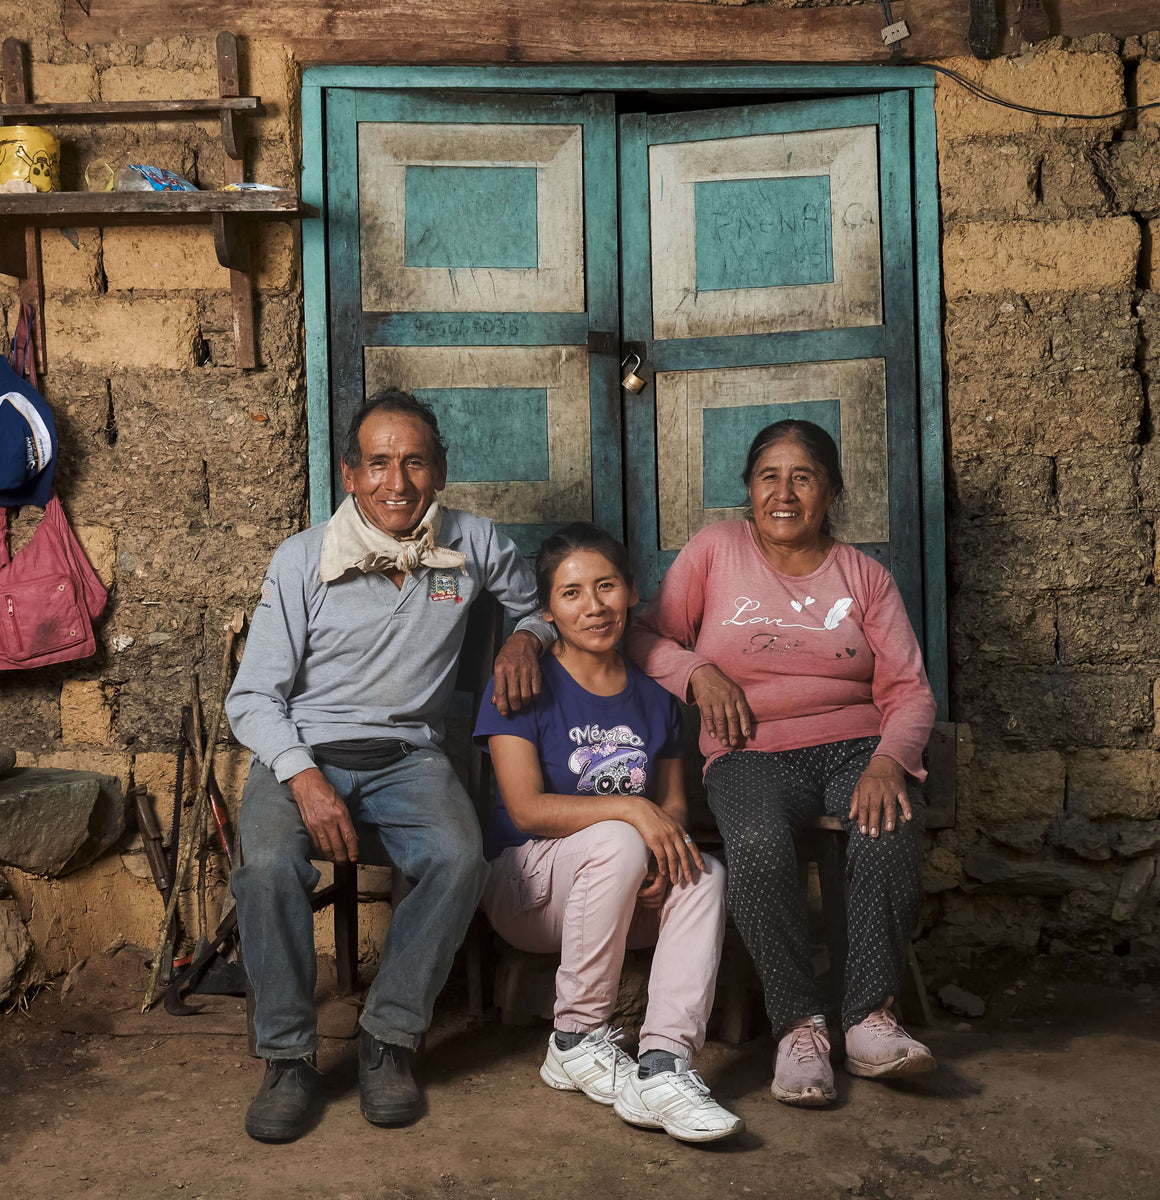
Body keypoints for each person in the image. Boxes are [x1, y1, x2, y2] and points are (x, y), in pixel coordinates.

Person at [225, 389, 554, 1142]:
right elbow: (253, 698)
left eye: (414, 463)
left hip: (409, 752)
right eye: (377, 464)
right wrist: (303, 779)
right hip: (302, 751)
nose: (396, 483)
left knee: (457, 856)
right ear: (350, 473)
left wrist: (524, 637)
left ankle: (389, 1037)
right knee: (268, 864)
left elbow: (540, 606)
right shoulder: (303, 557)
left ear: (441, 470)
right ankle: (287, 1058)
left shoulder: (474, 542)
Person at [626, 419, 937, 1108]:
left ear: (831, 491)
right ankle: (800, 1026)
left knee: (887, 823)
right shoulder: (714, 552)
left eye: (803, 477)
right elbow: (646, 636)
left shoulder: (865, 577)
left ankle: (867, 1019)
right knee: (759, 844)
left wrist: (890, 760)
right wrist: (698, 672)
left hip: (858, 745)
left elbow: (911, 691)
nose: (784, 493)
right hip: (750, 751)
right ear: (749, 489)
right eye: (769, 476)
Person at [474, 522, 742, 1144]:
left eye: (606, 587)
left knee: (704, 875)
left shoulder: (655, 697)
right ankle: (574, 1037)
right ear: (547, 610)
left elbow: (672, 807)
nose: (593, 606)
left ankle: (663, 1064)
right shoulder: (522, 683)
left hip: (620, 891)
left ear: (631, 594)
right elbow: (528, 809)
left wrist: (654, 855)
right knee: (620, 837)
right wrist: (631, 813)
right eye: (571, 594)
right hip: (529, 895)